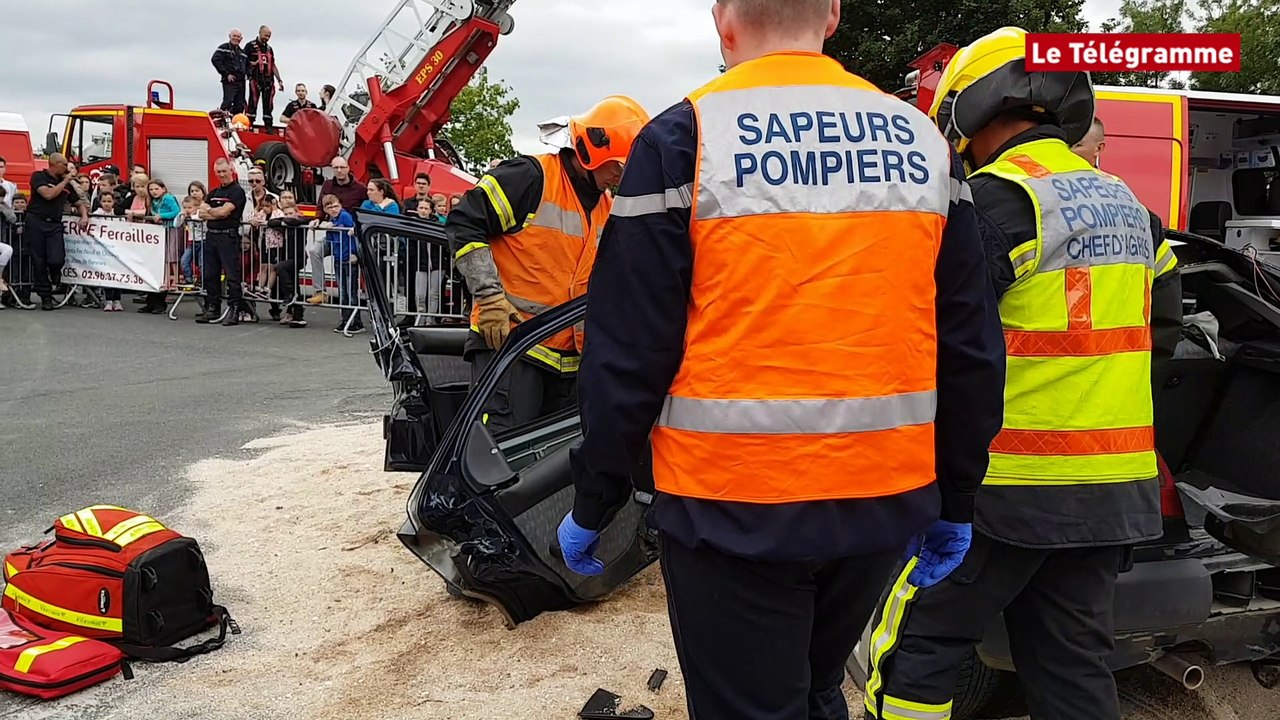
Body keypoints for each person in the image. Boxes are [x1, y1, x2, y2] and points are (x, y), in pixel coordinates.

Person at [554, 2, 1007, 718]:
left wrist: (595, 495)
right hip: (879, 496)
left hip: (731, 503)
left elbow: (628, 352)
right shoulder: (922, 142)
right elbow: (969, 342)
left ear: (720, 19)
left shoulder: (684, 139)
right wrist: (955, 494)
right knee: (818, 686)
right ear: (831, 13)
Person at [861, 26, 1183, 720]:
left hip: (1006, 492)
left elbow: (937, 347)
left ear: (971, 107)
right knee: (1072, 669)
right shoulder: (1136, 211)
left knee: (917, 649)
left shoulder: (994, 204)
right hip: (1114, 495)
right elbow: (1166, 335)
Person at [447, 95, 650, 433]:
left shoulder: (605, 205)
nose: (619, 174)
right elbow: (464, 223)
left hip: (568, 363)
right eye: (617, 165)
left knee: (549, 468)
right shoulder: (529, 177)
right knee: (499, 458)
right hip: (511, 346)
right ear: (593, 152)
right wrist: (489, 296)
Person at [26, 154, 90, 310]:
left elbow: (78, 202)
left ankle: (55, 273)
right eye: (65, 164)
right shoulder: (38, 177)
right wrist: (66, 181)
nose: (67, 168)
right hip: (36, 221)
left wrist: (84, 215)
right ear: (55, 164)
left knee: (57, 257)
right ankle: (45, 296)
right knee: (39, 260)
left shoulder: (67, 185)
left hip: (54, 224)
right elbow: (48, 194)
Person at [197, 159, 249, 326]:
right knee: (210, 274)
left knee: (232, 276)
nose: (221, 174)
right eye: (218, 172)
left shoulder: (237, 192)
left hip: (228, 237)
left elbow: (224, 212)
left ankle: (235, 309)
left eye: (224, 171)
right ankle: (213, 308)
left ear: (231, 171)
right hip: (211, 236)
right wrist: (216, 212)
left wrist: (213, 211)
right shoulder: (213, 192)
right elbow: (201, 213)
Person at [244, 25, 284, 128]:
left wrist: (279, 80)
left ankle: (268, 127)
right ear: (260, 33)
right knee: (252, 104)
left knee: (268, 106)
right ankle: (249, 125)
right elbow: (243, 62)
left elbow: (273, 65)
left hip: (268, 81)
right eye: (266, 35)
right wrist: (254, 63)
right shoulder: (250, 46)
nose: (267, 38)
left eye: (269, 36)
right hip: (255, 79)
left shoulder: (269, 49)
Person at [212, 29, 247, 115]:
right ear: (230, 36)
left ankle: (235, 122)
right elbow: (215, 60)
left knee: (240, 105)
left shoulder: (242, 53)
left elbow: (248, 66)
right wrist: (226, 73)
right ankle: (220, 120)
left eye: (238, 37)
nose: (236, 38)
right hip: (229, 81)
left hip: (241, 82)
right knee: (228, 101)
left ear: (241, 39)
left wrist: (247, 74)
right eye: (234, 36)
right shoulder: (223, 48)